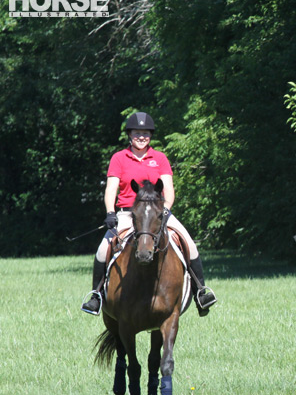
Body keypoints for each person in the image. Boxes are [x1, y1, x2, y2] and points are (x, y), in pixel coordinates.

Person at [81, 112, 217, 316]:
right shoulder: (119, 158)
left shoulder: (160, 158)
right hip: (129, 213)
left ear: (150, 136)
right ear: (130, 134)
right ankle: (96, 296)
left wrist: (166, 208)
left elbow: (169, 189)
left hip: (158, 213)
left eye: (145, 133)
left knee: (189, 244)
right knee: (103, 249)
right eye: (137, 133)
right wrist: (110, 212)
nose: (141, 137)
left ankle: (201, 293)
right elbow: (111, 189)